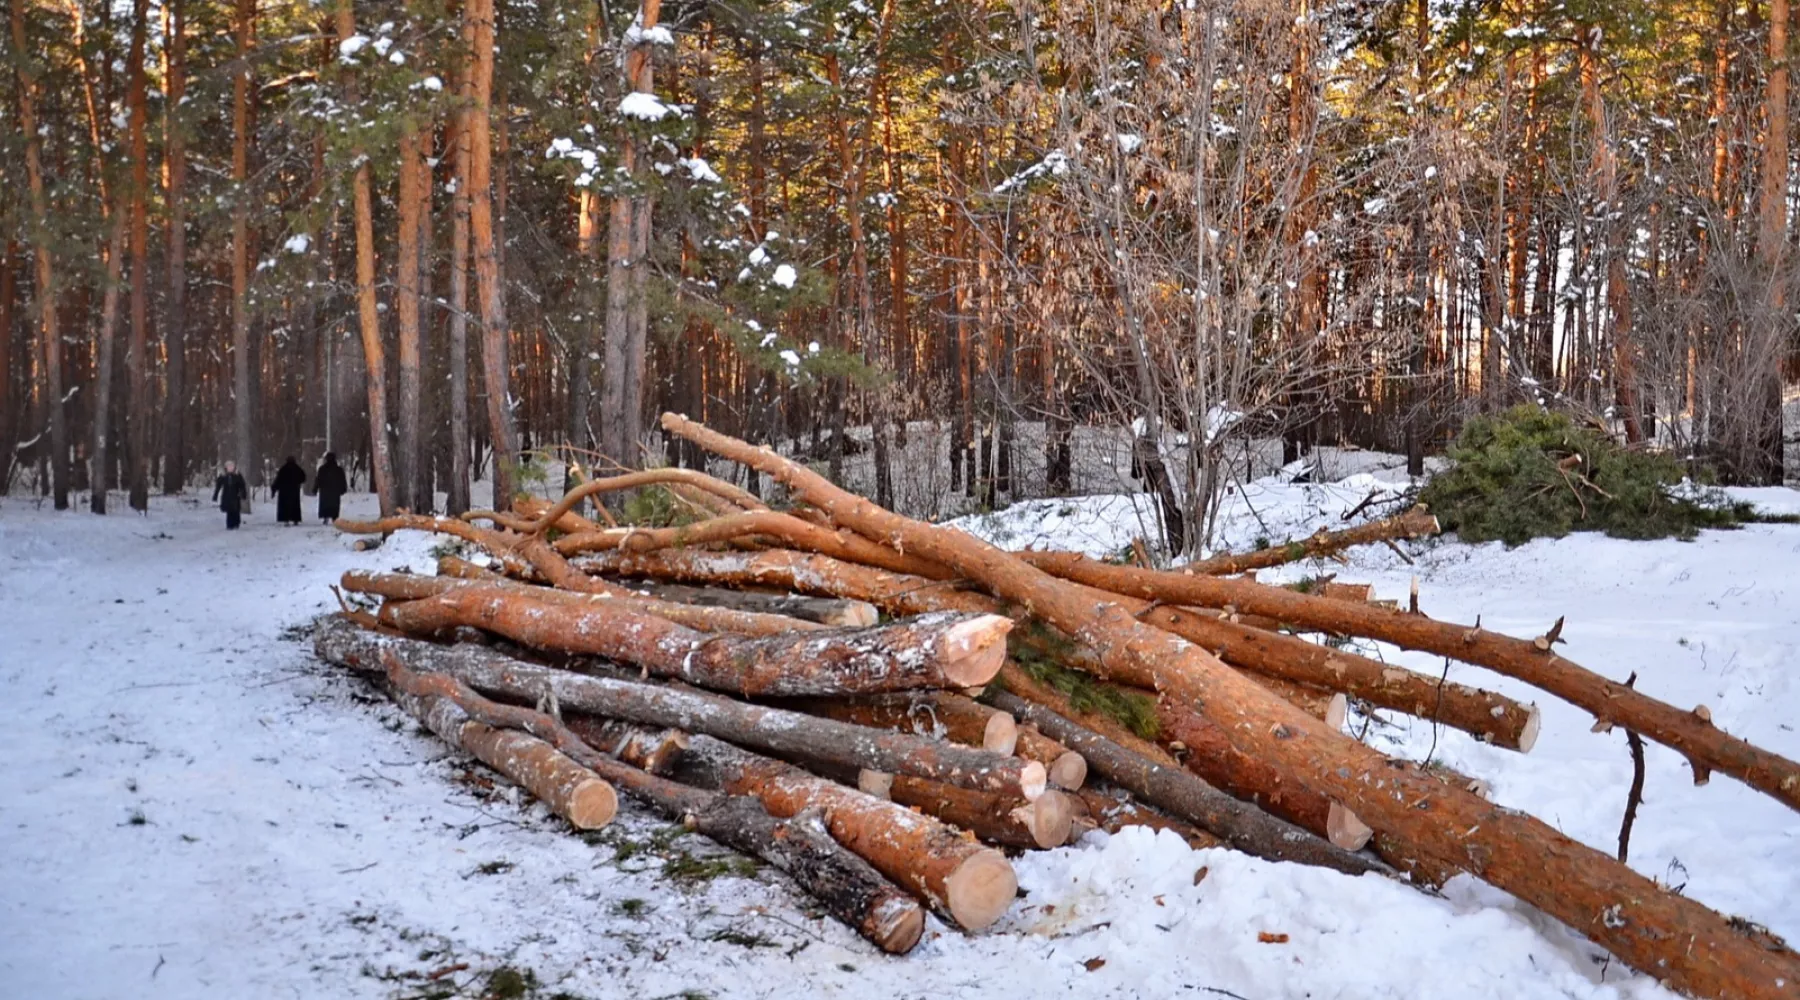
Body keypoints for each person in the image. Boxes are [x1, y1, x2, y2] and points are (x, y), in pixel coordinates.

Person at [212, 461, 249, 530]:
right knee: (229, 511)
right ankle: (229, 525)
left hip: (235, 496)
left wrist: (243, 494)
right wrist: (215, 495)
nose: (230, 468)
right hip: (227, 496)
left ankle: (236, 523)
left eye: (231, 467)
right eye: (228, 467)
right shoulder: (223, 476)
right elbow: (218, 486)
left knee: (236, 510)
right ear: (226, 468)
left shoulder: (237, 475)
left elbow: (242, 485)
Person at [273, 456, 307, 526]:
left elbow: (278, 479)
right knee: (295, 505)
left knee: (285, 506)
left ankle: (286, 519)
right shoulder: (297, 469)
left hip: (284, 490)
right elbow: (303, 477)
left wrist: (274, 488)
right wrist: (298, 482)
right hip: (294, 489)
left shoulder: (283, 469)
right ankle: (295, 519)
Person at [316, 452, 348, 523]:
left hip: (325, 490)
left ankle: (325, 516)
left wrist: (316, 488)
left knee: (325, 504)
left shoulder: (322, 469)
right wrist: (343, 488)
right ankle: (334, 517)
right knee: (335, 504)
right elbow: (342, 480)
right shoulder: (338, 469)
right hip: (335, 490)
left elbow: (318, 479)